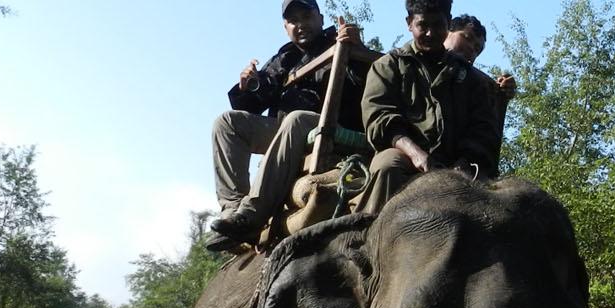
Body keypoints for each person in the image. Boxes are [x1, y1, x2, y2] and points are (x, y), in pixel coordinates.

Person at [207, 0, 363, 251]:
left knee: (297, 118)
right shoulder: (284, 57)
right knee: (226, 123)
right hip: (285, 132)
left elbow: (366, 86)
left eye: (307, 16)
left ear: (321, 19)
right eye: (293, 20)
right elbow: (254, 104)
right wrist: (247, 87)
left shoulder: (340, 39)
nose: (301, 25)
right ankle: (232, 212)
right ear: (285, 27)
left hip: (327, 126)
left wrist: (356, 48)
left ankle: (252, 215)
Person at [354, 0, 501, 215]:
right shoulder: (389, 66)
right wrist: (416, 155)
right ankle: (367, 234)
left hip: (456, 164)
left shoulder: (469, 78)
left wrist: (465, 162)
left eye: (438, 25)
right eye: (423, 25)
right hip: (404, 156)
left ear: (448, 23)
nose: (431, 33)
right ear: (409, 23)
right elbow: (379, 117)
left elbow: (484, 127)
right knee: (388, 166)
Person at [444, 14, 517, 123]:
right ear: (447, 32)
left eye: (477, 49)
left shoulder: (475, 89)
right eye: (467, 38)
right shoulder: (415, 61)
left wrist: (501, 97)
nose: (471, 48)